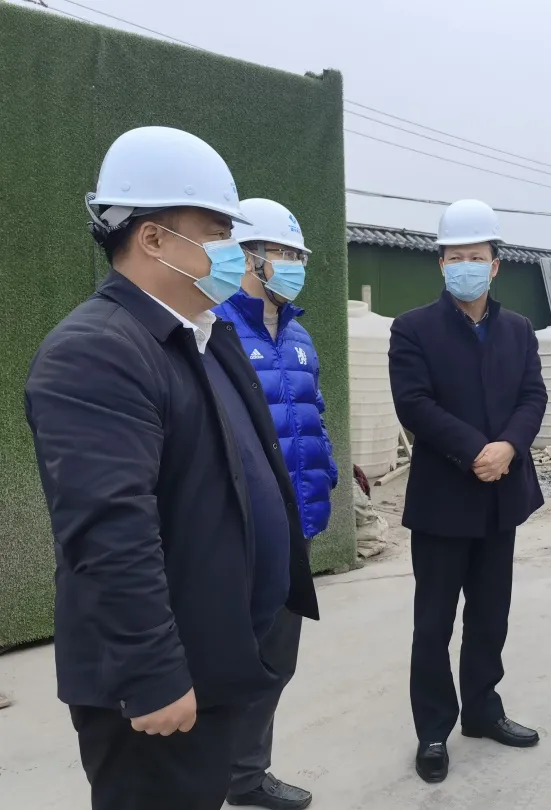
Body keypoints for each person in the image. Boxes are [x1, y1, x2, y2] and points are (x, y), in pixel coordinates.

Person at [23, 126, 319, 810]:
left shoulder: (201, 337)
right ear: (153, 238)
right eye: (217, 232)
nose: (231, 251)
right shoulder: (97, 351)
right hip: (158, 683)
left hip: (211, 655)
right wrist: (153, 675)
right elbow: (109, 533)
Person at [388, 199, 547, 784]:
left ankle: (483, 709)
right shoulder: (413, 329)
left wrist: (508, 447)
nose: (465, 267)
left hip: (501, 497)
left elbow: (533, 395)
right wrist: (476, 450)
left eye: (475, 257)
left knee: (490, 615)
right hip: (443, 501)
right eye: (454, 257)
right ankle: (433, 730)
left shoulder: (518, 330)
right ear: (441, 264)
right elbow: (414, 403)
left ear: (495, 265)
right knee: (433, 622)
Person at [214, 199, 336, 810]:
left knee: (276, 661)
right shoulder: (214, 330)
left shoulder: (299, 335)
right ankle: (210, 775)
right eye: (283, 254)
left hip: (297, 526)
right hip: (240, 532)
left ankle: (246, 775)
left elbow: (313, 414)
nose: (294, 266)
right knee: (226, 663)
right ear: (248, 257)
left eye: (298, 256)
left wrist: (329, 471)